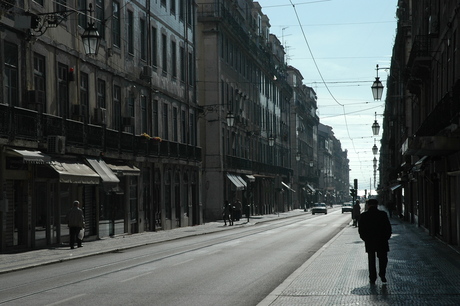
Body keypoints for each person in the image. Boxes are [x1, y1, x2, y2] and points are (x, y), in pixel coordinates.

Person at [358, 199, 392, 284]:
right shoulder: (383, 214)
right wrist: (386, 237)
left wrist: (365, 238)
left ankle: (372, 277)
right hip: (382, 240)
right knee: (383, 259)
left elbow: (361, 230)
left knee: (371, 260)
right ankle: (382, 274)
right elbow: (388, 228)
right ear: (377, 205)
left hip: (370, 241)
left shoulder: (364, 215)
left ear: (368, 205)